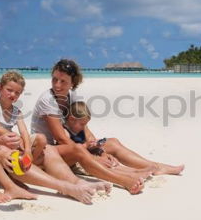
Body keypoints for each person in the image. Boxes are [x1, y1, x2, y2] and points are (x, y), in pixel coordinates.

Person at [0, 46, 108, 204]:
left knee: (45, 147)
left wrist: (25, 146)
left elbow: (14, 127)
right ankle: (65, 187)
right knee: (14, 155)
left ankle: (77, 182)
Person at [31, 59, 147, 194]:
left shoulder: (70, 95)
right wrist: (93, 157)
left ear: (72, 83)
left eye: (63, 81)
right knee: (79, 149)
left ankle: (150, 167)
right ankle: (124, 180)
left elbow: (83, 127)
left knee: (111, 142)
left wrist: (98, 149)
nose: (57, 85)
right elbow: (62, 139)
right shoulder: (47, 100)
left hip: (62, 148)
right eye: (54, 79)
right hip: (45, 154)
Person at [65, 101, 184, 176]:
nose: (83, 127)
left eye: (84, 124)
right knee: (108, 164)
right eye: (81, 124)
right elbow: (73, 150)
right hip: (76, 159)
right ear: (70, 119)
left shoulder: (78, 123)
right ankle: (137, 172)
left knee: (113, 142)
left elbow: (91, 138)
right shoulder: (65, 131)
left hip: (85, 152)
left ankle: (156, 166)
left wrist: (100, 151)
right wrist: (92, 151)